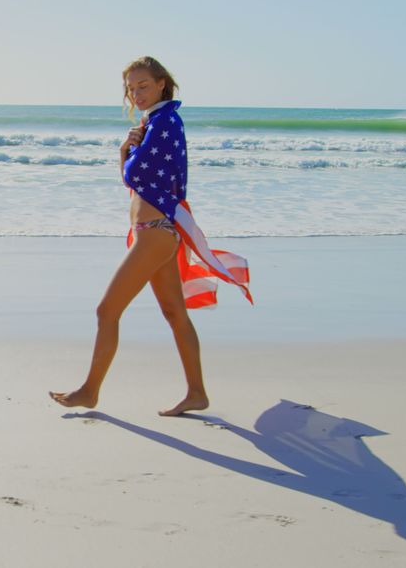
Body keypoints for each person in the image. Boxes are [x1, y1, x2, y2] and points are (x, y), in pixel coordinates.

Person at [49, 56, 253, 417]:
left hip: (155, 235)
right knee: (175, 313)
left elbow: (137, 172)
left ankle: (90, 390)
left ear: (161, 83)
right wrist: (126, 151)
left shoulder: (165, 122)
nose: (137, 93)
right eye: (131, 88)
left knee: (106, 310)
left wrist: (128, 152)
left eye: (143, 86)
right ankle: (196, 393)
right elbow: (134, 177)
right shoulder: (156, 122)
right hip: (156, 233)